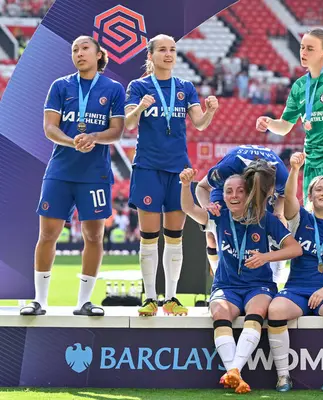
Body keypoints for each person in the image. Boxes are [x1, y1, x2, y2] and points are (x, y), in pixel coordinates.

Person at [20, 36, 125, 316]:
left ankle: (84, 302)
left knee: (94, 236)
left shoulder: (113, 89)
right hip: (60, 171)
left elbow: (117, 131)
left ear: (98, 53)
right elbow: (49, 128)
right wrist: (72, 141)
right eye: (74, 50)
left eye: (84, 48)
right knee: (48, 234)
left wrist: (93, 136)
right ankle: (40, 300)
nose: (79, 53)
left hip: (95, 174)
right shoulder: (60, 85)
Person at [180, 161, 303, 394]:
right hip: (226, 286)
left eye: (240, 191)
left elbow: (295, 249)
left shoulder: (264, 218)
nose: (234, 195)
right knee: (219, 312)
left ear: (248, 194)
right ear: (223, 196)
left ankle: (234, 370)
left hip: (258, 286)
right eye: (228, 191)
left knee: (257, 311)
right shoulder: (218, 216)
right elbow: (189, 209)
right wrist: (186, 186)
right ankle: (235, 373)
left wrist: (266, 257)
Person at [124, 34, 219, 317]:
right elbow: (128, 124)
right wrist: (141, 106)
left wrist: (210, 111)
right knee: (149, 236)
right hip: (148, 167)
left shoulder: (185, 87)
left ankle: (172, 298)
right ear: (150, 55)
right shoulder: (138, 86)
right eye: (162, 49)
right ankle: (150, 298)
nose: (168, 54)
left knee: (174, 235)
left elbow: (199, 123)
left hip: (179, 170)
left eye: (172, 50)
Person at [267, 152, 323, 392]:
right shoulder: (299, 218)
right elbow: (288, 198)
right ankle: (283, 376)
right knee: (275, 310)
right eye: (319, 189)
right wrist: (295, 169)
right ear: (310, 195)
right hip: (296, 290)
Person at [256, 28, 323, 219]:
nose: (303, 53)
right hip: (312, 162)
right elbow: (284, 126)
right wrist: (269, 123)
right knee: (313, 225)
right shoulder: (299, 86)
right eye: (301, 47)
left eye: (309, 49)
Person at [195, 145, 289, 281]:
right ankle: (219, 278)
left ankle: (276, 280)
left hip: (262, 184)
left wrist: (278, 212)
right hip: (227, 187)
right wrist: (207, 206)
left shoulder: (281, 176)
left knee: (279, 223)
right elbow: (201, 187)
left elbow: (284, 196)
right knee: (212, 233)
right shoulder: (226, 169)